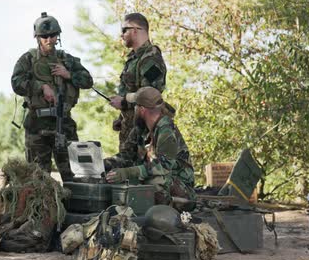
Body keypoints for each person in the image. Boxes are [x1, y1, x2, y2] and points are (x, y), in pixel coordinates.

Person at [11, 12, 93, 182]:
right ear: (38, 38)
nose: (49, 39)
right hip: (37, 124)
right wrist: (41, 86)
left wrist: (68, 74)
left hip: (63, 123)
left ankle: (74, 208)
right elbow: (16, 83)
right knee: (37, 179)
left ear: (58, 36)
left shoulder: (67, 60)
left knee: (74, 176)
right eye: (44, 36)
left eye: (53, 35)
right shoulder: (27, 60)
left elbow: (88, 81)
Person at [105, 87, 196, 211]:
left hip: (180, 189)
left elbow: (162, 167)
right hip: (160, 180)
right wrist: (105, 164)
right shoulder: (140, 128)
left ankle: (162, 215)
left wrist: (128, 172)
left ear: (141, 109)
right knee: (119, 179)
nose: (134, 109)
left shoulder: (166, 131)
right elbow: (126, 156)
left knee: (154, 181)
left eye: (135, 106)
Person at [104, 13, 167, 171]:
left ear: (136, 30)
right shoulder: (134, 58)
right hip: (131, 129)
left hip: (143, 133)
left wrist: (123, 101)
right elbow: (132, 91)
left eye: (124, 30)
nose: (121, 34)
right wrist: (122, 116)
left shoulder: (151, 58)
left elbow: (150, 96)